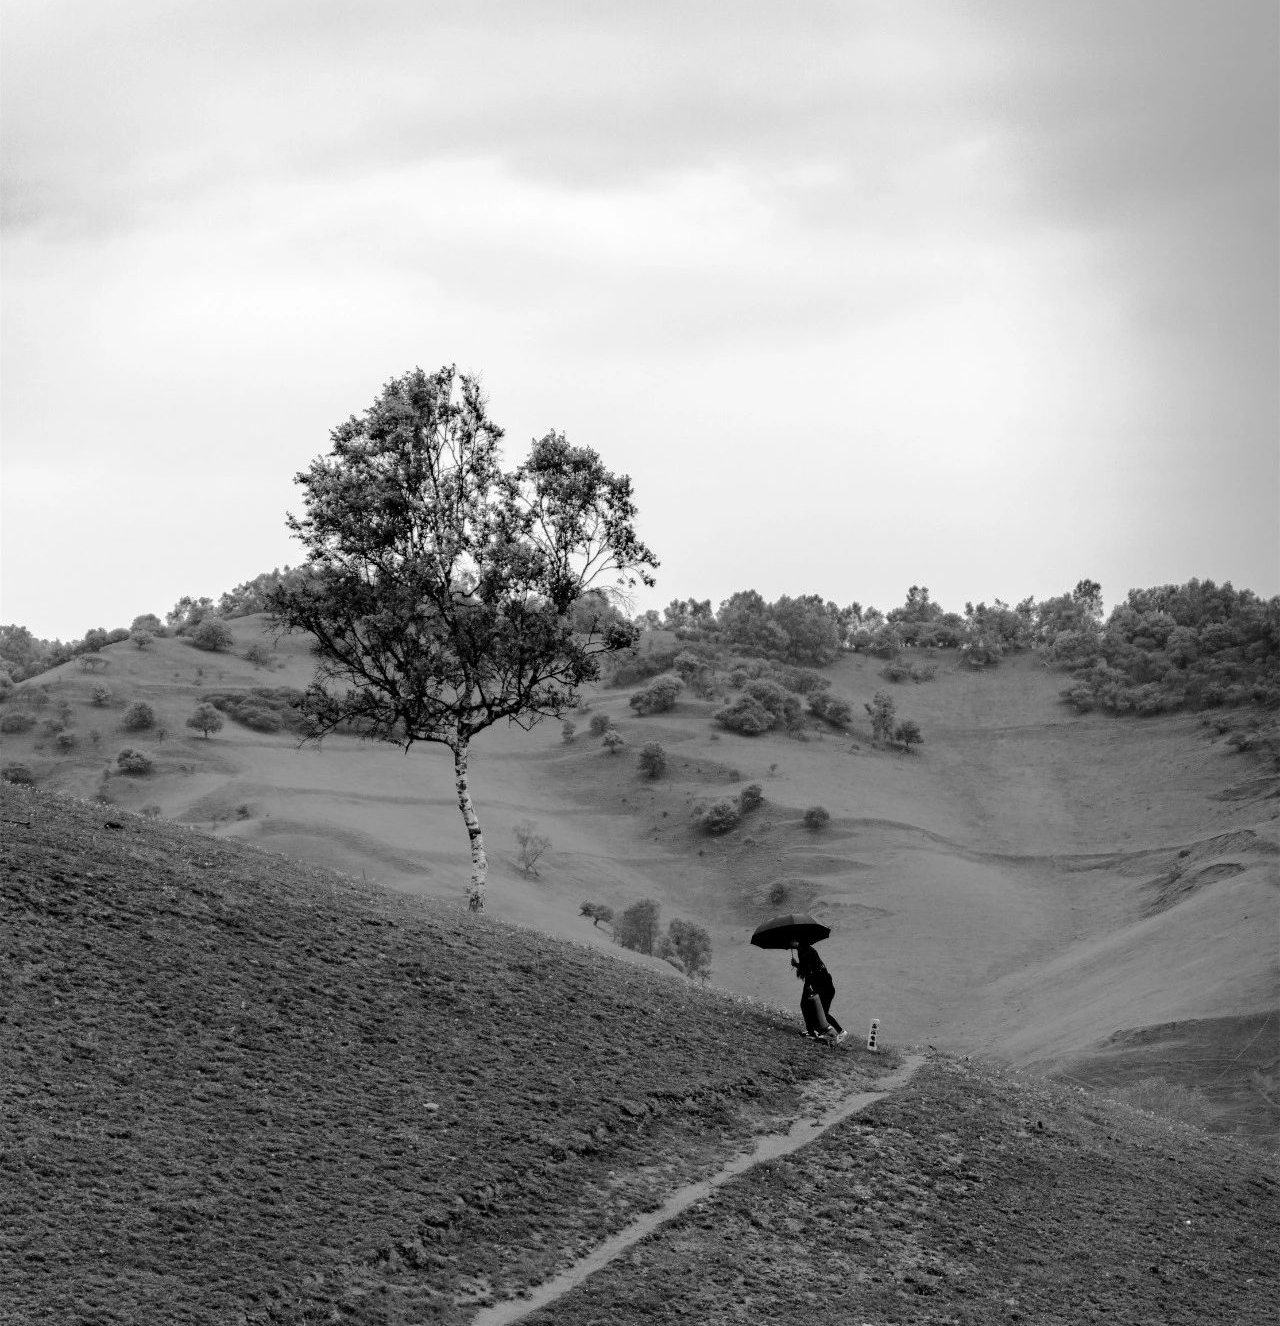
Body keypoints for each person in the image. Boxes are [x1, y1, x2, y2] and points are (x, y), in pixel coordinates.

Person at [790, 940, 846, 1043]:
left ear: (797, 940)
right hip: (820, 983)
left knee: (819, 1011)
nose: (789, 943)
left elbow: (809, 970)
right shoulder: (803, 948)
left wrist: (809, 986)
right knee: (807, 1006)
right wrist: (797, 965)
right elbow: (808, 967)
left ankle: (839, 1032)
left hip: (823, 985)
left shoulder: (804, 951)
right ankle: (813, 1031)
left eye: (791, 940)